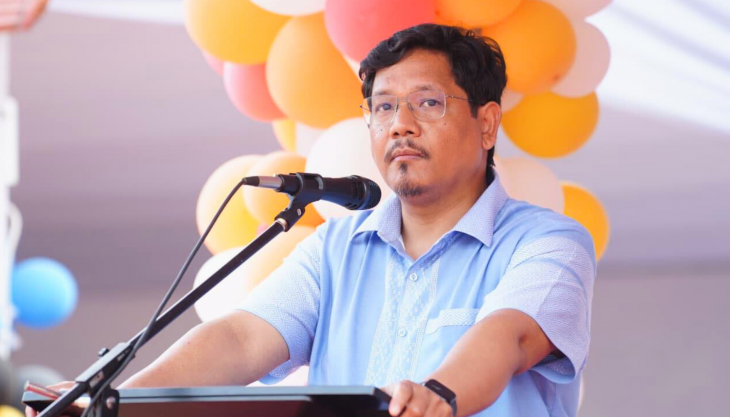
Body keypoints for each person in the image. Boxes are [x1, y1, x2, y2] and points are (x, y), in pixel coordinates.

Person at [28, 24, 595, 417]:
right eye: (382, 106)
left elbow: (509, 335)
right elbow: (240, 339)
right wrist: (111, 405)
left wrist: (440, 395)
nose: (399, 124)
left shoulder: (547, 241)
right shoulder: (337, 247)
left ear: (487, 123)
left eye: (427, 103)